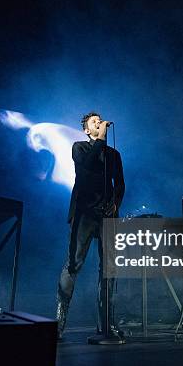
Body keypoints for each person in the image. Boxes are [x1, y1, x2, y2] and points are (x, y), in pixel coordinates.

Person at [56, 112, 125, 340]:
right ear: (87, 130)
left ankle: (105, 325)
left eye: (100, 120)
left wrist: (115, 204)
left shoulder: (114, 155)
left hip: (107, 215)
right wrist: (101, 139)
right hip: (85, 212)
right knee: (74, 263)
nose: (99, 122)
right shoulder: (80, 148)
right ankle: (59, 322)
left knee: (109, 269)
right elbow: (85, 169)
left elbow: (120, 184)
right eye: (94, 122)